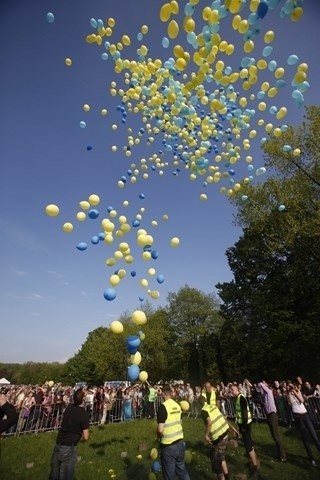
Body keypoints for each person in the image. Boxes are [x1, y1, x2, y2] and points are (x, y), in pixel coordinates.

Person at [49, 388, 90, 480]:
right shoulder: (83, 414)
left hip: (59, 443)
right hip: (69, 447)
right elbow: (86, 437)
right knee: (65, 475)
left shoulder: (69, 408)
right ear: (83, 400)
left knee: (54, 474)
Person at [157, 384, 191, 480]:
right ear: (171, 393)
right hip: (180, 442)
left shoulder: (163, 407)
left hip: (168, 445)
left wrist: (158, 435)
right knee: (182, 470)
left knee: (169, 475)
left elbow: (160, 429)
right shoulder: (177, 405)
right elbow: (179, 421)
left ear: (163, 394)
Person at [198, 395, 236, 480]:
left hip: (219, 437)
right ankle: (227, 477)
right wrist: (232, 428)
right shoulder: (213, 406)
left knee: (216, 464)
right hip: (225, 433)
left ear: (199, 404)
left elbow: (209, 423)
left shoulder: (203, 411)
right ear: (205, 401)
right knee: (221, 457)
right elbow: (222, 417)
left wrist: (206, 435)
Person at [287, 382, 320, 467]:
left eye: (292, 386)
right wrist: (290, 393)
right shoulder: (288, 395)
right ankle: (311, 459)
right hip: (298, 417)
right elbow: (290, 402)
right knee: (305, 439)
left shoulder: (298, 392)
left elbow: (301, 400)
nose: (291, 388)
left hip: (305, 415)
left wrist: (295, 392)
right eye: (290, 387)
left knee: (314, 436)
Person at [230, 383, 259, 479]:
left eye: (232, 390)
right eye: (230, 390)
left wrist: (244, 427)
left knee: (248, 445)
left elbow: (244, 413)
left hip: (246, 425)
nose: (231, 392)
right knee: (248, 443)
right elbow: (240, 414)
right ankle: (253, 462)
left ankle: (255, 466)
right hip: (243, 425)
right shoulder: (237, 398)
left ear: (237, 390)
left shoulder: (241, 398)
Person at [257, 381, 287, 462]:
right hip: (269, 415)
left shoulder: (269, 392)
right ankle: (280, 453)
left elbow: (261, 385)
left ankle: (283, 455)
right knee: (274, 435)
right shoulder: (264, 395)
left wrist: (262, 384)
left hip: (273, 415)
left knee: (276, 435)